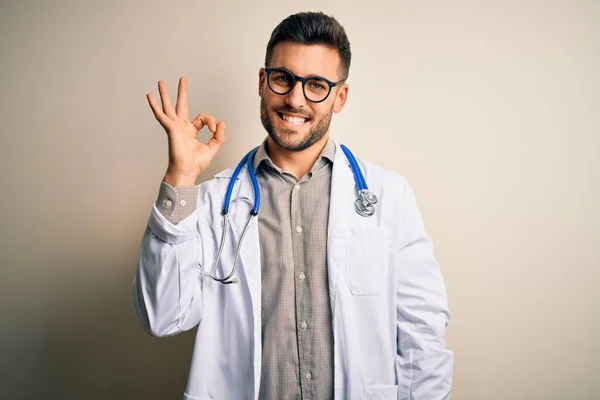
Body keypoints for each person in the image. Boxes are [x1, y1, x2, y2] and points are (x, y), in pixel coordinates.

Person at [132, 11, 453, 400]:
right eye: (283, 78)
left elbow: (422, 336)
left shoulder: (390, 196)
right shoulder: (215, 200)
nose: (295, 99)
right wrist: (180, 177)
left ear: (341, 96)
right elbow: (163, 316)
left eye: (316, 84)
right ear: (263, 82)